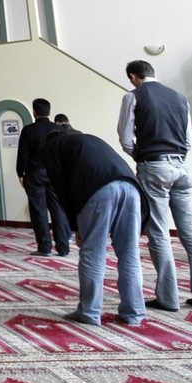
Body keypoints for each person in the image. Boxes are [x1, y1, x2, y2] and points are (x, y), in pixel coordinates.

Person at [117, 59, 192, 312]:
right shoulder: (180, 97)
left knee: (159, 233)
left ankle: (168, 299)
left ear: (132, 77)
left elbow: (125, 137)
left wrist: (141, 157)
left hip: (154, 166)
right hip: (183, 168)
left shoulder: (133, 96)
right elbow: (188, 140)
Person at [44, 131, 147, 326]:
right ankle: (134, 313)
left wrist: (76, 227)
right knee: (130, 253)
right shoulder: (89, 139)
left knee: (93, 252)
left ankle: (89, 312)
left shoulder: (52, 148)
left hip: (98, 191)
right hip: (131, 188)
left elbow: (61, 190)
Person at [16, 98, 70, 257]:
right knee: (58, 210)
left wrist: (20, 173)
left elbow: (23, 155)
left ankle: (44, 247)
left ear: (34, 112)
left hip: (35, 173)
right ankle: (63, 247)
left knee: (38, 210)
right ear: (49, 111)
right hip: (55, 173)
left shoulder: (29, 130)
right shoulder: (58, 129)